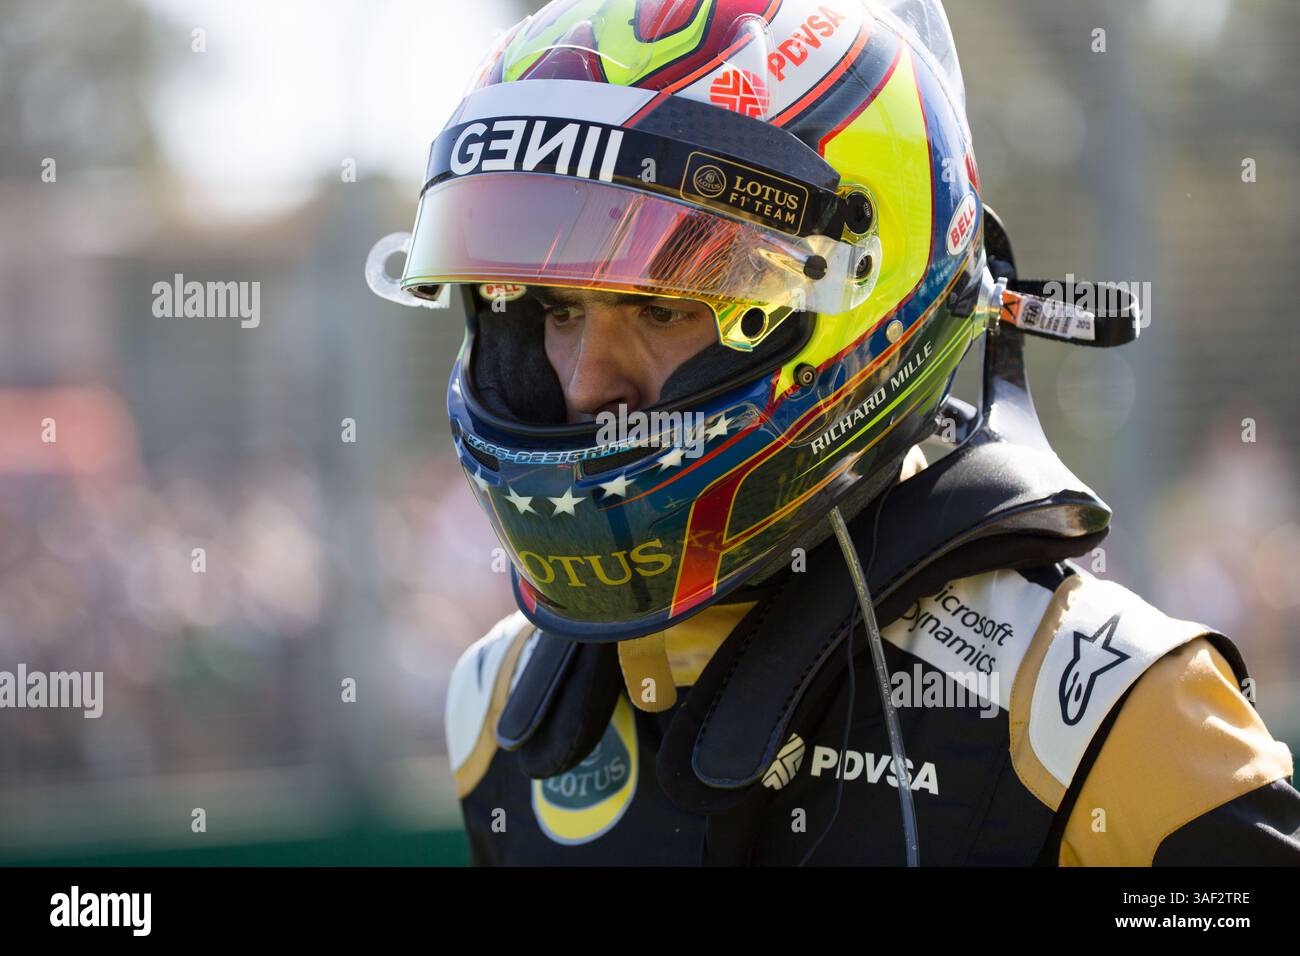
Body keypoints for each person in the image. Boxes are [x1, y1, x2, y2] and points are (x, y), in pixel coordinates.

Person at [387, 0, 1300, 864]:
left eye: (661, 308)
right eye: (552, 308)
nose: (587, 385)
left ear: (865, 287)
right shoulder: (499, 708)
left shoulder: (1116, 724)